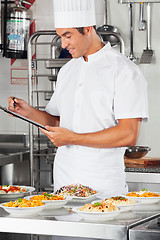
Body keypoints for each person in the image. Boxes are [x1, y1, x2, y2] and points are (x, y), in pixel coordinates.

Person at [8, 0, 148, 197]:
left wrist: (74, 138)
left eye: (68, 36)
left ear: (88, 30)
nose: (63, 44)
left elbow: (128, 134)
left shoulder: (124, 71)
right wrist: (28, 112)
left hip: (103, 190)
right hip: (63, 186)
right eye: (60, 36)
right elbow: (58, 121)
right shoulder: (67, 70)